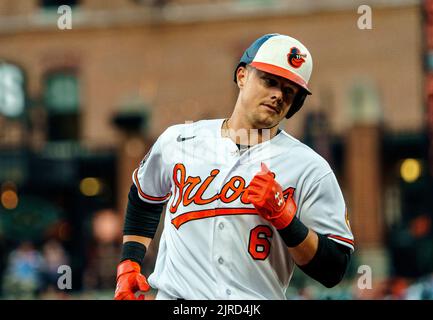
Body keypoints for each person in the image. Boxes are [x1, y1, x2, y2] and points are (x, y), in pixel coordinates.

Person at [114, 33, 354, 300]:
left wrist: (287, 221)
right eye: (269, 81)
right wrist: (130, 263)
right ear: (242, 76)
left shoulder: (309, 168)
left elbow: (334, 269)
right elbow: (144, 195)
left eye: (289, 91)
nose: (277, 95)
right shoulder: (179, 140)